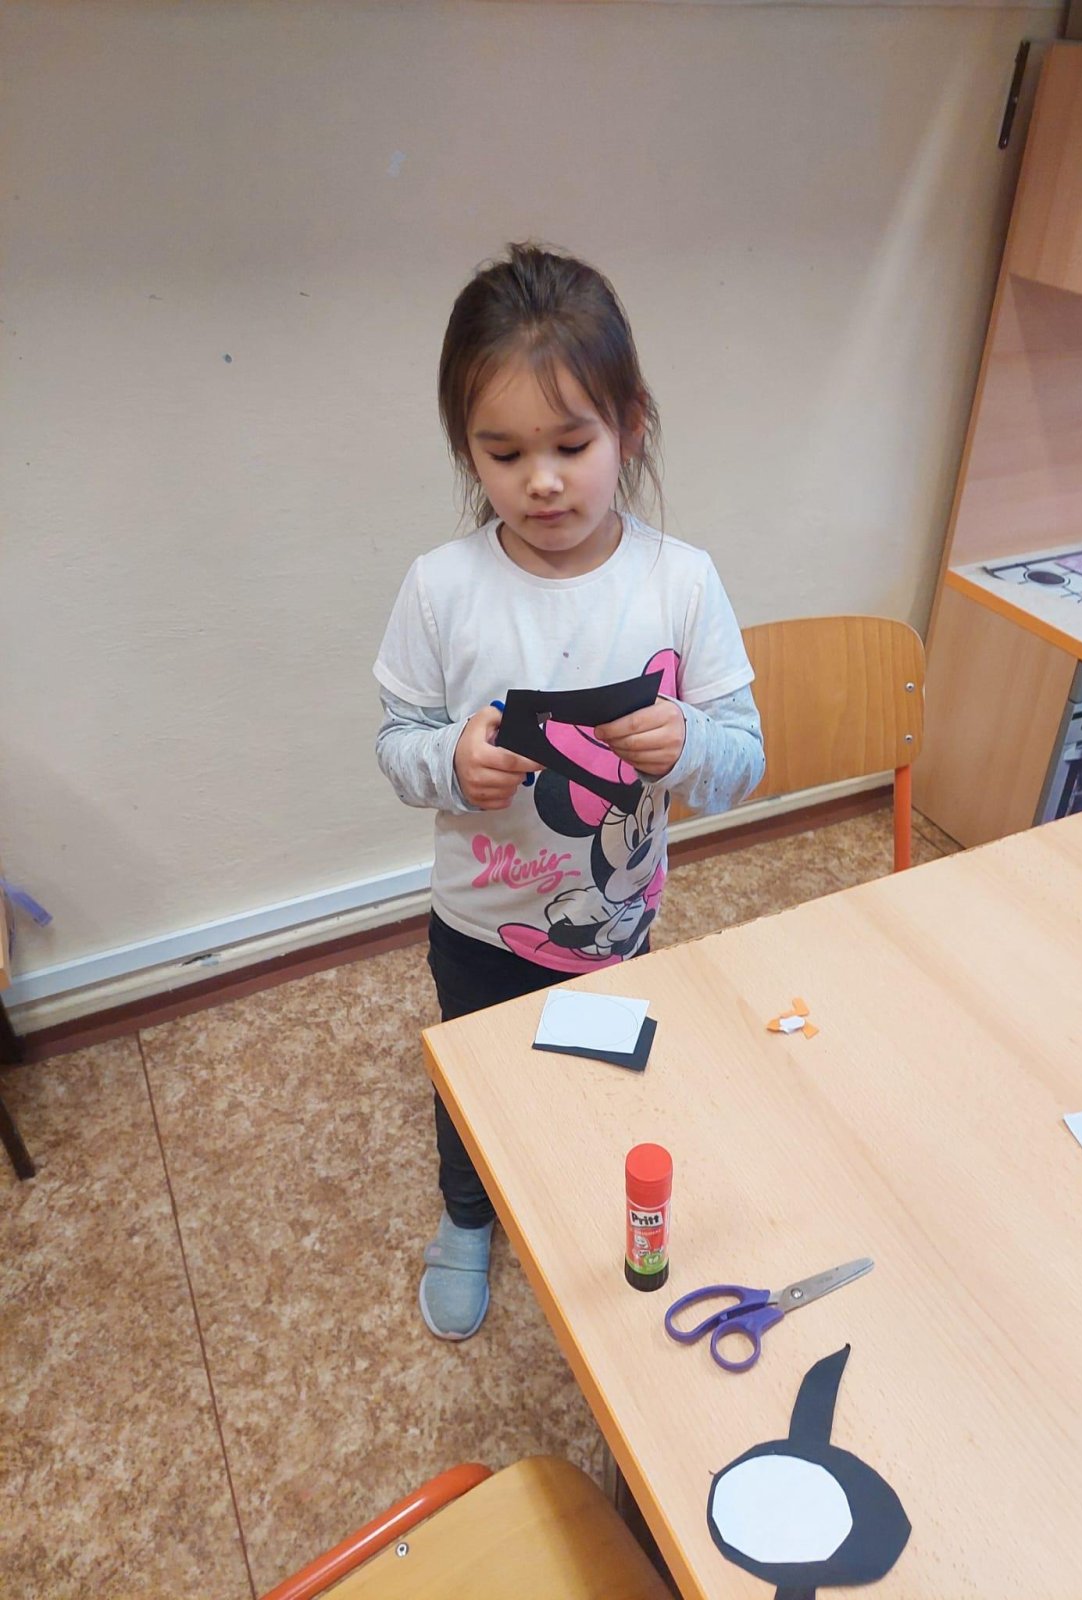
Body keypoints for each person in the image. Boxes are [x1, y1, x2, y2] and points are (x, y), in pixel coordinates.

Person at [374, 243, 765, 1340]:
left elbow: (745, 759)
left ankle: (576, 1186)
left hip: (618, 922)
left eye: (571, 444)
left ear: (630, 426)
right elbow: (395, 744)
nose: (540, 480)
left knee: (599, 1070)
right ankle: (467, 1215)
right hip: (479, 922)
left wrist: (687, 743)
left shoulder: (680, 581)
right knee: (475, 1078)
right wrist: (449, 759)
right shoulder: (442, 589)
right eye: (503, 453)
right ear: (467, 448)